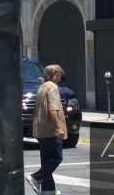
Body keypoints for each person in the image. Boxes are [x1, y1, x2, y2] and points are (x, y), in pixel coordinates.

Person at [27, 64, 67, 195]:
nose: (60, 79)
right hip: (50, 129)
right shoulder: (53, 87)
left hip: (40, 128)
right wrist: (60, 127)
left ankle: (48, 190)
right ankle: (36, 177)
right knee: (56, 158)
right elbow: (53, 109)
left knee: (46, 160)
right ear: (55, 75)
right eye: (60, 75)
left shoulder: (42, 87)